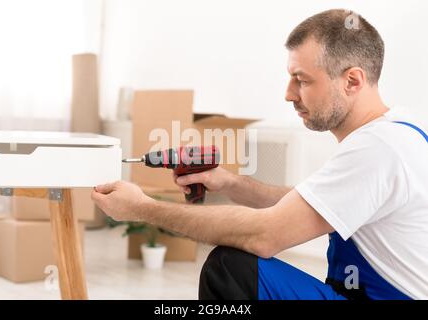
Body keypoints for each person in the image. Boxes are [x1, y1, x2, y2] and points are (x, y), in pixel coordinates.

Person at [91, 9, 428, 300]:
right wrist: (229, 182)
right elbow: (306, 203)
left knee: (231, 268)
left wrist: (142, 208)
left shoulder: (376, 148)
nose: (288, 93)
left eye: (301, 80)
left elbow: (264, 236)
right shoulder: (395, 132)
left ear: (352, 81)